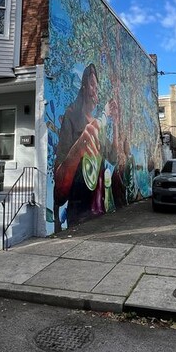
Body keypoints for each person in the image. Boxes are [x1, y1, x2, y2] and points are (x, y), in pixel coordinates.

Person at [53, 64, 118, 229]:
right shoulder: (72, 116)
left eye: (97, 87)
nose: (95, 90)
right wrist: (80, 147)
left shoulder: (98, 126)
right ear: (83, 87)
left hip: (100, 209)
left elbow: (113, 157)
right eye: (91, 85)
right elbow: (59, 191)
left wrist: (115, 124)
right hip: (79, 213)